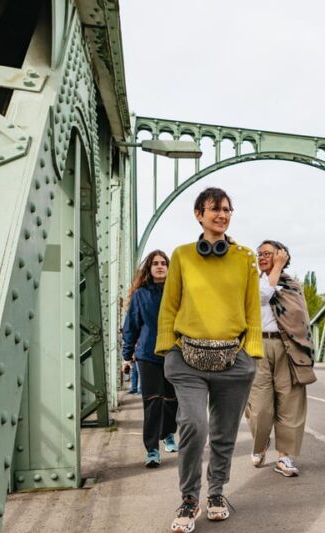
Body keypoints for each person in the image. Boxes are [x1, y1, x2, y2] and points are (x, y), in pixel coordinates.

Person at [156, 187, 261, 532]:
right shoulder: (182, 255)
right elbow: (169, 306)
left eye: (227, 209)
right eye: (215, 209)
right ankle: (189, 498)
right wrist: (167, 349)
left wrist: (251, 353)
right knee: (193, 425)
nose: (222, 215)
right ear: (198, 214)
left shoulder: (245, 257)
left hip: (233, 359)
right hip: (187, 358)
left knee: (223, 433)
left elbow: (252, 309)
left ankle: (216, 493)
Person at [245, 240, 314, 477]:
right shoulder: (251, 282)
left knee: (290, 403)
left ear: (282, 255)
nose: (261, 257)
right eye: (259, 254)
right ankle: (261, 440)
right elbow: (261, 297)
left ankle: (284, 457)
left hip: (288, 346)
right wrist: (274, 269)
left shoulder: (292, 286)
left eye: (267, 253)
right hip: (257, 346)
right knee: (260, 407)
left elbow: (302, 320)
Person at [121, 250, 178, 467]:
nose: (160, 266)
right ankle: (152, 449)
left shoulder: (178, 292)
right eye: (155, 263)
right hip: (148, 354)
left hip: (175, 353)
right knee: (153, 402)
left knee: (173, 400)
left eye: (164, 263)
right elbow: (131, 325)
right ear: (149, 268)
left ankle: (167, 433)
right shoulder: (141, 295)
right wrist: (127, 354)